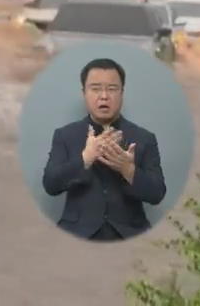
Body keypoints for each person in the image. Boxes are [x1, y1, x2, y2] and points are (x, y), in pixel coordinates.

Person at [41, 57, 167, 241]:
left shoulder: (144, 138)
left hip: (130, 235)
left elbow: (157, 194)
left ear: (122, 93)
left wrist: (128, 170)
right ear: (84, 93)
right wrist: (85, 158)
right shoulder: (65, 135)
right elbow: (50, 185)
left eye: (112, 89)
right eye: (96, 88)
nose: (104, 96)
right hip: (76, 234)